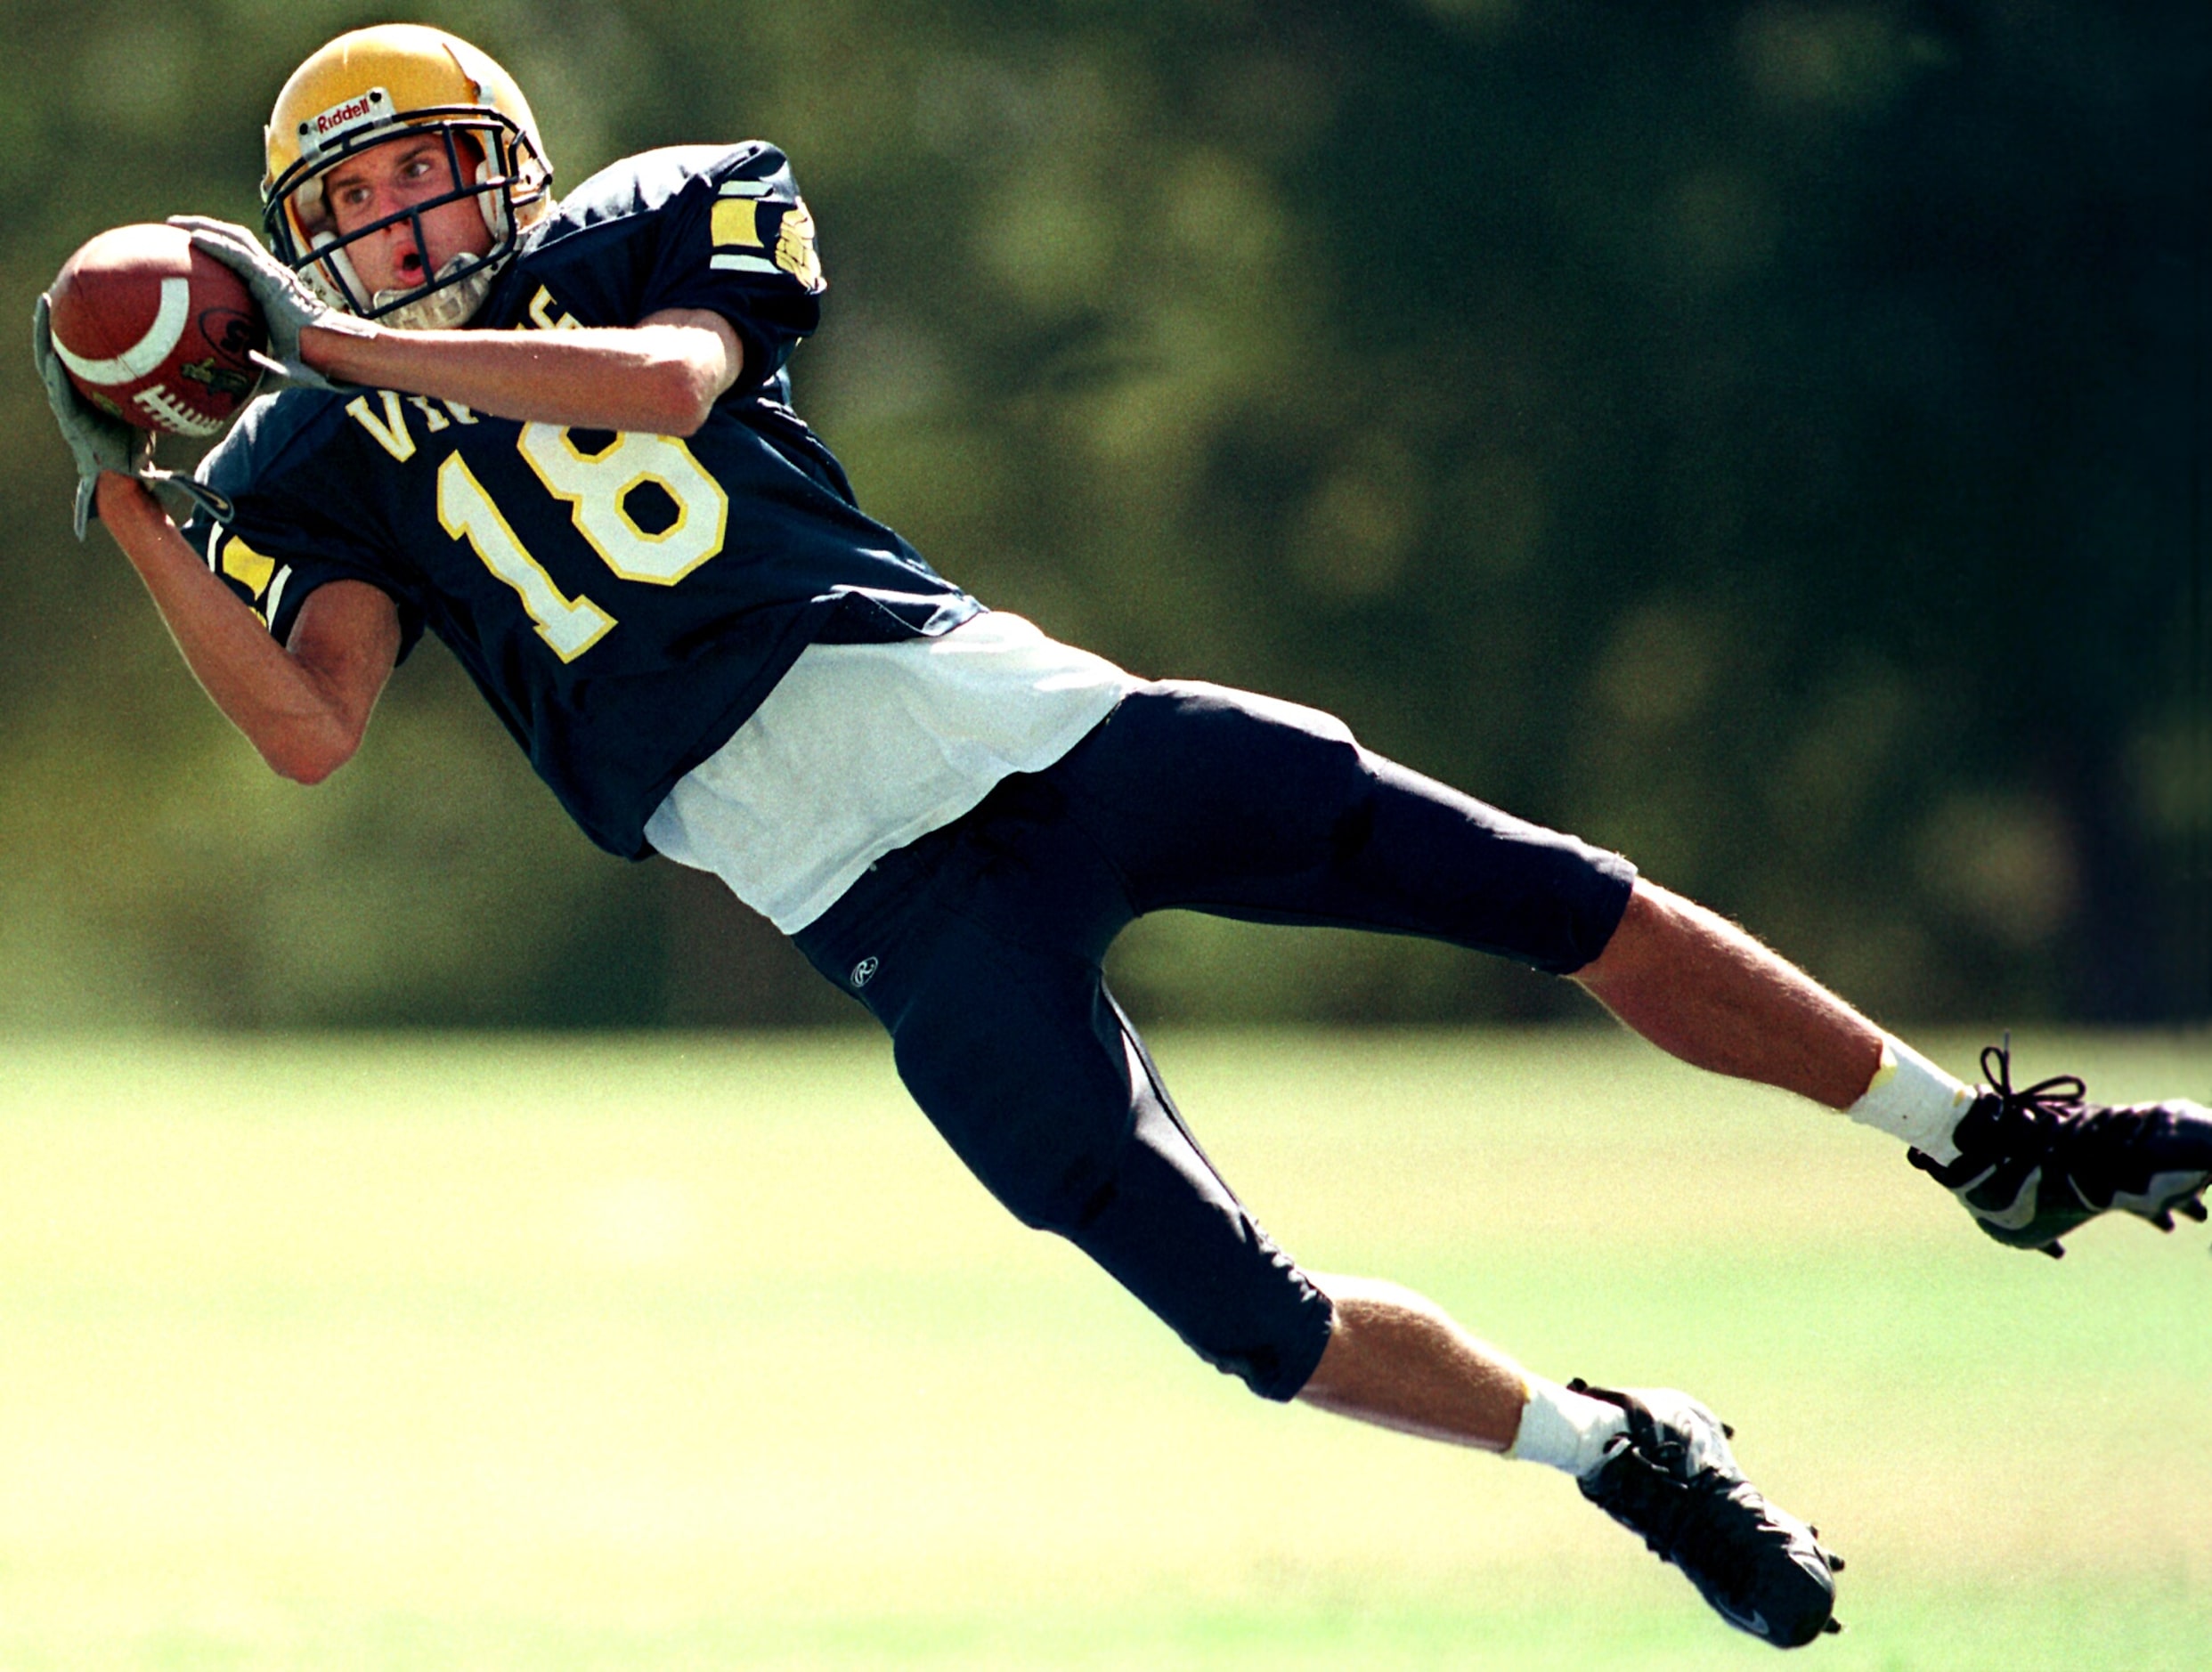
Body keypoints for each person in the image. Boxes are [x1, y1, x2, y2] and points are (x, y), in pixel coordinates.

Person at [30, 23, 2212, 1651]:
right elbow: (314, 728)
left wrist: (344, 337)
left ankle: (1986, 1140)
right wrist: (135, 499)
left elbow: (675, 389)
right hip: (864, 904)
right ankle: (1624, 1448)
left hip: (1025, 729)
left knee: (1549, 896)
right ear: (312, 231)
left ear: (504, 172)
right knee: (1250, 1326)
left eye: (431, 182)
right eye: (363, 205)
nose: (406, 226)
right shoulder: (309, 457)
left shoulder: (642, 224)